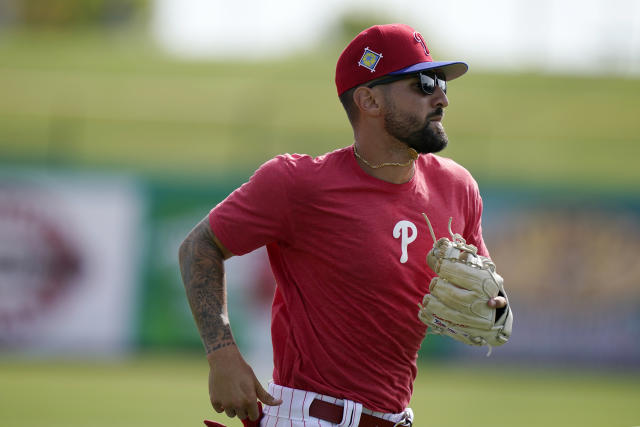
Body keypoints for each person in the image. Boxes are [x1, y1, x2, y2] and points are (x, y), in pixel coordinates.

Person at [179, 23, 507, 427]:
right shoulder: (297, 183)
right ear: (369, 100)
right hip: (309, 418)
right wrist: (222, 353)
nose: (441, 97)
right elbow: (199, 246)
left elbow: (485, 291)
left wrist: (496, 305)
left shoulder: (458, 188)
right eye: (424, 83)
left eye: (441, 82)